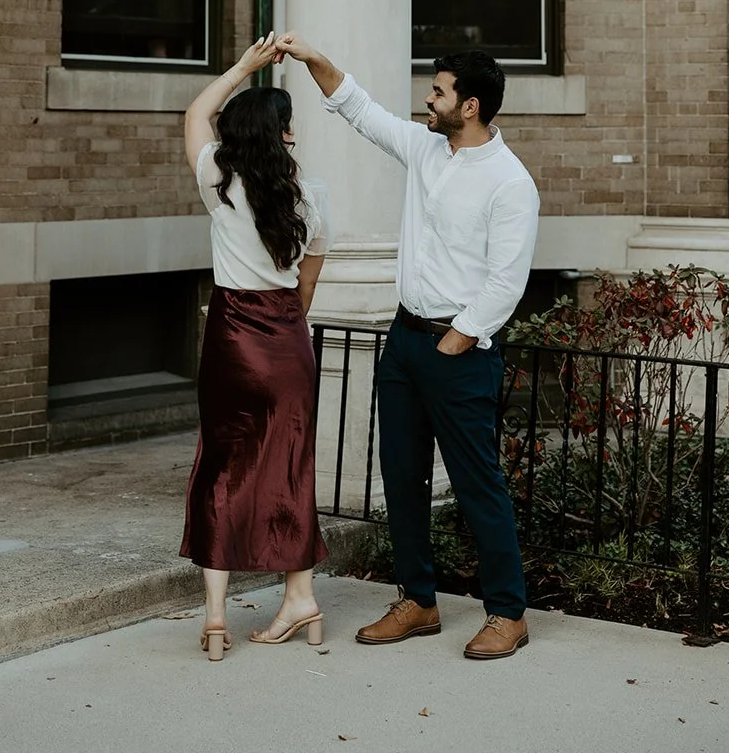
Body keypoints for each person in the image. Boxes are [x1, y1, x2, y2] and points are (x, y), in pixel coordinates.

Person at [275, 35, 538, 662]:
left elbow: (508, 278)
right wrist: (316, 62)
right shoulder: (425, 147)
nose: (428, 97)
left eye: (439, 90)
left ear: (470, 106)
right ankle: (418, 600)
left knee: (479, 484)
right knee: (401, 475)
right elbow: (361, 109)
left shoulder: (510, 182)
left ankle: (507, 612)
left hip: (459, 352)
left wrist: (461, 336)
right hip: (404, 341)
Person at [181, 32, 330, 661]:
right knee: (288, 467)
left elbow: (196, 112)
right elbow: (307, 284)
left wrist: (246, 64)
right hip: (287, 338)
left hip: (232, 335)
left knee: (221, 465)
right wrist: (286, 331)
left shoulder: (220, 177)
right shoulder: (308, 198)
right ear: (286, 135)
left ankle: (216, 619)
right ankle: (301, 599)